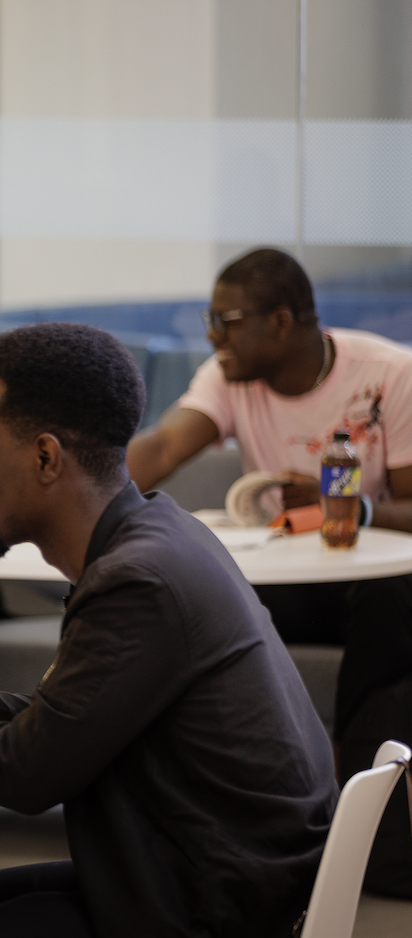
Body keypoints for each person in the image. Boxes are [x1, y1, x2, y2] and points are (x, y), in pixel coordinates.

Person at [0, 322, 338, 938]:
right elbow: (56, 726)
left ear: (46, 458)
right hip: (214, 871)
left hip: (212, 911)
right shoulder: (160, 535)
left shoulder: (137, 582)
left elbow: (26, 773)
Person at [126, 246, 412, 896]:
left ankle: (363, 822)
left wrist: (347, 506)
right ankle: (212, 823)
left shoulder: (389, 375)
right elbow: (165, 446)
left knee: (389, 604)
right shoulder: (230, 375)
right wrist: (81, 496)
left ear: (280, 322)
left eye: (225, 321)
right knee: (200, 599)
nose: (212, 336)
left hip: (378, 584)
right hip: (293, 580)